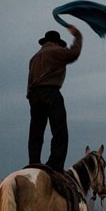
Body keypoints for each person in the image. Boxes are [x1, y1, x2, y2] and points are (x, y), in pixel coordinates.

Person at [27, 26, 82, 172]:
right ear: (57, 42)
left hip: (34, 96)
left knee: (36, 132)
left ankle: (34, 161)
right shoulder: (55, 51)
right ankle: (55, 165)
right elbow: (74, 53)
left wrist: (31, 98)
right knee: (59, 131)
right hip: (50, 92)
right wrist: (78, 37)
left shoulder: (34, 58)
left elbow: (30, 81)